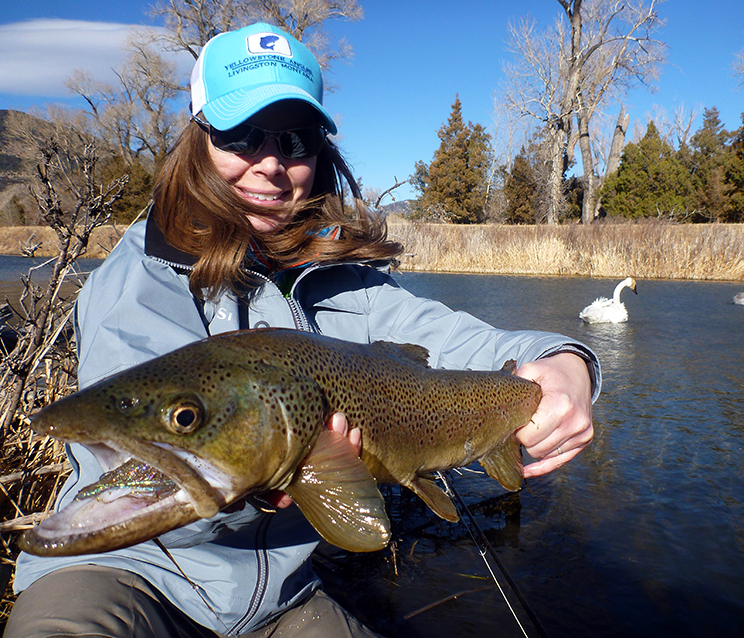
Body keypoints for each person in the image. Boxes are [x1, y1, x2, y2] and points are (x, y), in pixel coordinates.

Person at [7, 22, 600, 638]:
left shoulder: (341, 276)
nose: (270, 164)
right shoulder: (137, 280)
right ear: (197, 138)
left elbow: (472, 344)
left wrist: (563, 367)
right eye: (240, 135)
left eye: (293, 140)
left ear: (318, 156)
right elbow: (131, 476)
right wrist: (272, 473)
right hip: (125, 575)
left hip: (278, 597)